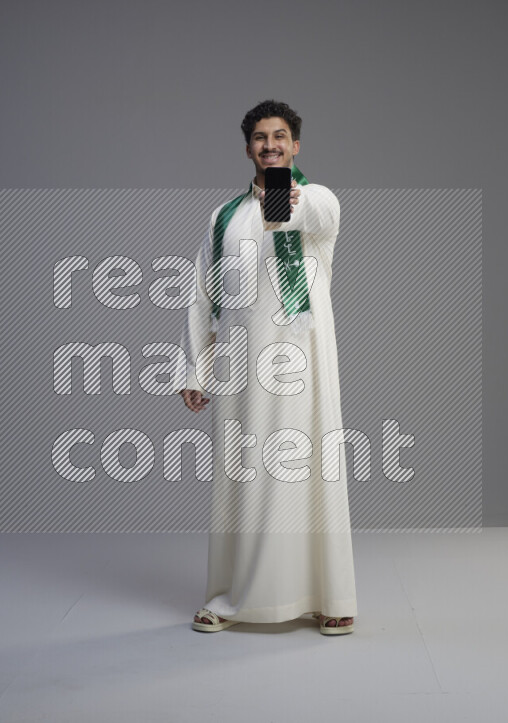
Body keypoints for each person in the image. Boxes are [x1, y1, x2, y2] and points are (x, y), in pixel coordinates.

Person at [176, 100, 357, 635]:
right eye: (259, 138)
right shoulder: (223, 217)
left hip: (305, 363)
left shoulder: (319, 199)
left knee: (311, 475)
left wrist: (279, 177)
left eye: (280, 137)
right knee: (241, 477)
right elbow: (201, 295)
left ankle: (330, 596)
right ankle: (229, 597)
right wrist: (196, 367)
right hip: (241, 368)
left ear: (296, 145)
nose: (270, 145)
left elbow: (286, 215)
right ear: (246, 147)